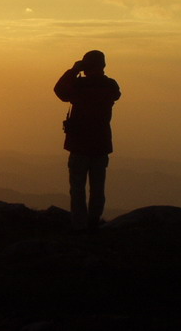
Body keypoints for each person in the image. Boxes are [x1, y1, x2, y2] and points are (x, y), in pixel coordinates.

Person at [54, 50, 121, 232]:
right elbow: (116, 94)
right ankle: (93, 223)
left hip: (79, 144)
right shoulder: (110, 86)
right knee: (98, 188)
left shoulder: (79, 86)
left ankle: (79, 225)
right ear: (103, 65)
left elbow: (59, 90)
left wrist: (74, 70)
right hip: (101, 144)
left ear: (86, 66)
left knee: (77, 188)